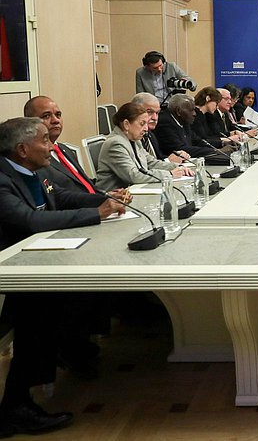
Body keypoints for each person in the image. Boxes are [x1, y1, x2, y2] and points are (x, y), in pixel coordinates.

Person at [0, 117, 124, 437]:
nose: (51, 145)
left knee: (89, 292)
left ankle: (69, 351)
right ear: (22, 149)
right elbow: (27, 220)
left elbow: (61, 199)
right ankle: (15, 408)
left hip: (37, 261)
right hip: (13, 272)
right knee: (41, 315)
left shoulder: (33, 171)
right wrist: (96, 214)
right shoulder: (3, 179)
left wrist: (105, 200)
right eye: (44, 140)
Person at [96, 103, 193, 191]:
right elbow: (134, 175)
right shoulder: (115, 144)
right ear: (126, 124)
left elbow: (151, 163)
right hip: (115, 200)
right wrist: (170, 174)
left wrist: (178, 167)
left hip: (133, 191)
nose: (146, 129)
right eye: (142, 124)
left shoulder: (134, 140)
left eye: (146, 124)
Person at [22, 95, 98, 193]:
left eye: (58, 115)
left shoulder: (65, 149)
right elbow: (56, 198)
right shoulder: (35, 158)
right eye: (46, 116)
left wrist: (107, 194)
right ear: (30, 122)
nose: (55, 120)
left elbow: (82, 184)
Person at [130, 93, 189, 163]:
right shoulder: (132, 138)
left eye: (157, 113)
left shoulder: (150, 135)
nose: (155, 118)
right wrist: (168, 161)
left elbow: (157, 158)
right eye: (149, 112)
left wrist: (176, 157)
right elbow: (143, 166)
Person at [153, 94, 216, 159]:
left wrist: (219, 147)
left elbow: (197, 141)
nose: (194, 114)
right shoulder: (164, 122)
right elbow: (179, 149)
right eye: (191, 110)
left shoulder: (184, 121)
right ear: (178, 111)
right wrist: (212, 151)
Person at [192, 87, 239, 151]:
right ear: (208, 98)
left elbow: (209, 136)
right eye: (216, 103)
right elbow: (200, 140)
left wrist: (225, 140)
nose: (217, 107)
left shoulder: (202, 115)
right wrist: (225, 140)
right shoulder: (194, 115)